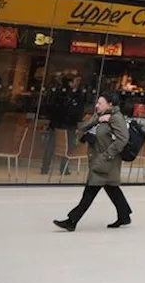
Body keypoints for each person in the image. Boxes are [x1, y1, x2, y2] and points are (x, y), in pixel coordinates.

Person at [54, 93, 132, 231]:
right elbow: (82, 128)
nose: (97, 105)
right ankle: (124, 215)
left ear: (110, 104)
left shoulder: (116, 118)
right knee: (112, 188)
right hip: (99, 160)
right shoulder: (99, 116)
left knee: (90, 191)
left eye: (100, 103)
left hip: (106, 162)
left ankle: (72, 221)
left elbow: (123, 139)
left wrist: (107, 156)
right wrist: (98, 120)